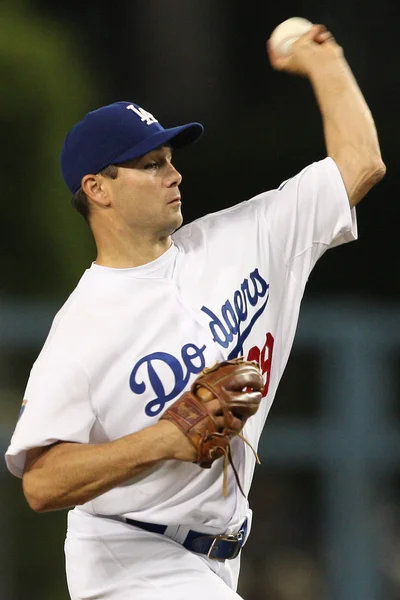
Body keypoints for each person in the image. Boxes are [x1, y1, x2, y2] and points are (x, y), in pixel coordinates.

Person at [5, 23, 385, 600]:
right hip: (127, 556)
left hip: (217, 554)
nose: (174, 173)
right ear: (99, 189)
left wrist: (323, 60)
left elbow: (360, 164)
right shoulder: (84, 327)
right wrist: (165, 437)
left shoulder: (246, 238)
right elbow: (42, 482)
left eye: (169, 157)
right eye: (150, 163)